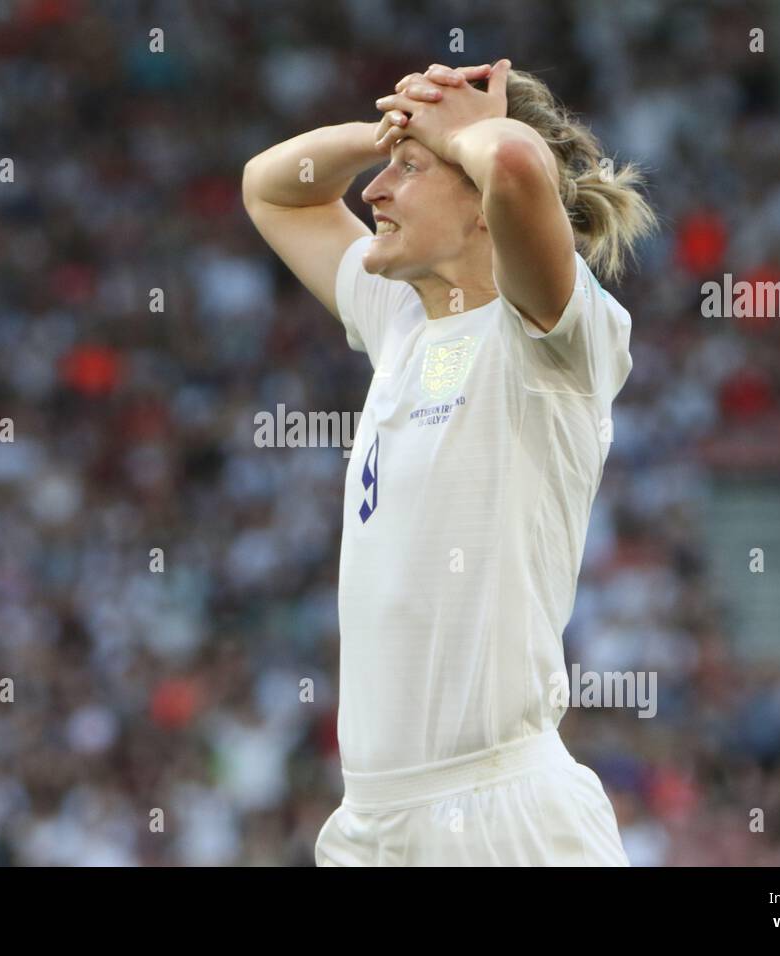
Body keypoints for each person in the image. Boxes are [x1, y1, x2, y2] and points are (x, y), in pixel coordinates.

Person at [242, 58, 655, 865]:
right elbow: (271, 186)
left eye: (409, 169)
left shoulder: (554, 336)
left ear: (482, 213)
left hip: (503, 819)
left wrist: (465, 134)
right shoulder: (401, 316)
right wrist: (391, 128)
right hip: (372, 822)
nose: (374, 189)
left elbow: (512, 164)